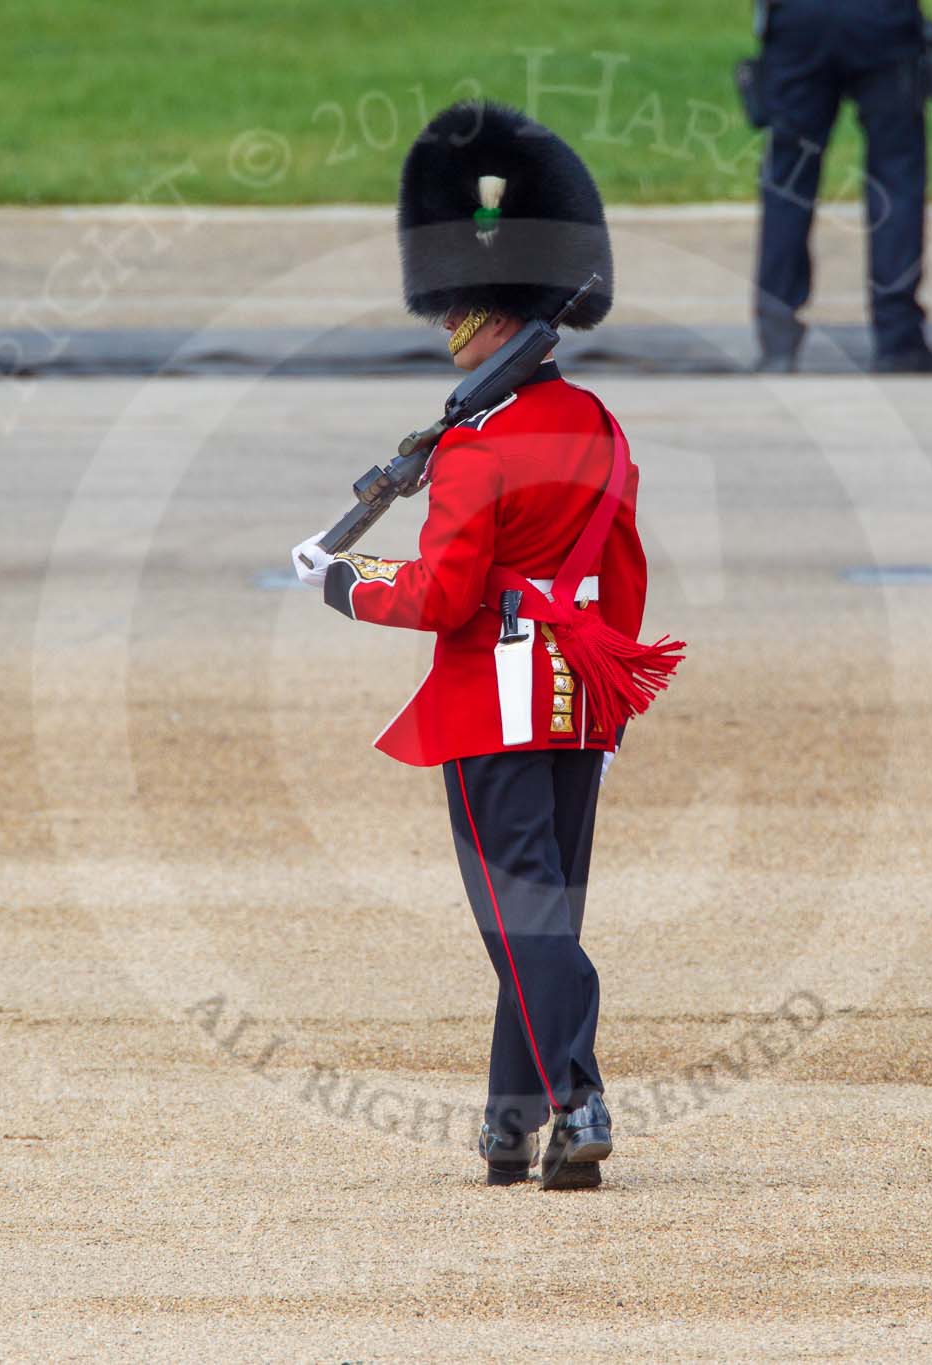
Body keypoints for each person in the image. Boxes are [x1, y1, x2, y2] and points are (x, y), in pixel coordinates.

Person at [291, 103, 680, 1187]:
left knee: (518, 924)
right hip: (578, 694)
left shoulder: (475, 449)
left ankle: (581, 1093)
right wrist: (599, 676)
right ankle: (517, 1124)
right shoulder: (594, 420)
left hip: (493, 697)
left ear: (468, 313)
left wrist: (340, 585)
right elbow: (624, 572)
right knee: (541, 910)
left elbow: (439, 595)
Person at [751, 0, 932, 373]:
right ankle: (898, 338)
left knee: (788, 178)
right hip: (880, 20)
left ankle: (776, 337)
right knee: (896, 177)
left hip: (798, 21)